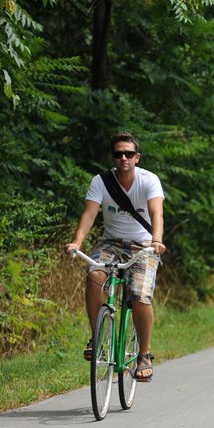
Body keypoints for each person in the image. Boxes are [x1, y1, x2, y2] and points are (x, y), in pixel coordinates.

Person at [64, 132, 166, 382]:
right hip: (111, 243)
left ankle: (144, 354)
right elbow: (89, 215)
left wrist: (156, 241)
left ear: (137, 157)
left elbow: (157, 214)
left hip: (143, 245)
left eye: (129, 154)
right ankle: (97, 339)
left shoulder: (149, 180)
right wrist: (77, 242)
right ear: (112, 157)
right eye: (118, 154)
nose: (123, 158)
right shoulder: (101, 181)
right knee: (94, 275)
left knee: (140, 295)